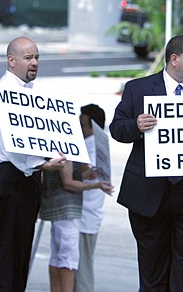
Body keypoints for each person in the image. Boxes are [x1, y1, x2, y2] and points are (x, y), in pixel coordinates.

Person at [109, 34, 183, 291]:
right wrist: (136, 126)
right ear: (174, 59)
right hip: (150, 196)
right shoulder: (137, 89)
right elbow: (117, 129)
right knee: (152, 273)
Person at [0, 36, 67, 291]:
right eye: (28, 58)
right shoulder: (3, 94)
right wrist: (43, 164)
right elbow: (14, 146)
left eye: (37, 57)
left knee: (20, 250)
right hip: (11, 176)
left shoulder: (25, 92)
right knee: (10, 250)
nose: (34, 63)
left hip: (23, 177)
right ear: (11, 61)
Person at [40, 155, 113, 292]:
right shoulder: (68, 145)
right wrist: (96, 185)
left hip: (56, 205)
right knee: (68, 259)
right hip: (68, 208)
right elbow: (68, 182)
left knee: (56, 256)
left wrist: (86, 175)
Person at [74, 103, 109, 292]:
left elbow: (85, 171)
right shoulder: (92, 145)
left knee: (82, 268)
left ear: (92, 126)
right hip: (83, 214)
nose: (78, 129)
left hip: (85, 216)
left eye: (82, 125)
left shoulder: (93, 147)